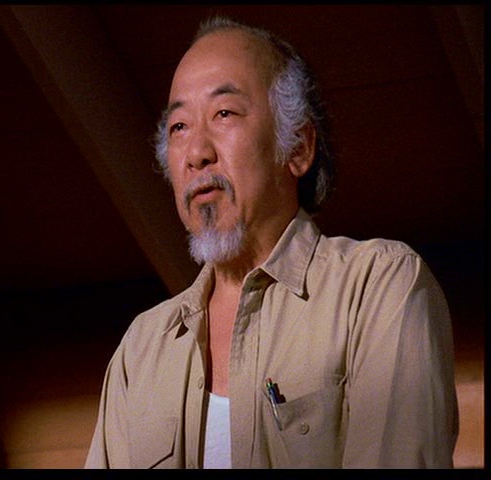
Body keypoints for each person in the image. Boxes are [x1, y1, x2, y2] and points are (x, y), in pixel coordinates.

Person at [84, 16, 458, 469]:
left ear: (298, 146)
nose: (196, 153)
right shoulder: (142, 347)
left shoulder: (377, 286)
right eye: (179, 126)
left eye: (224, 113)